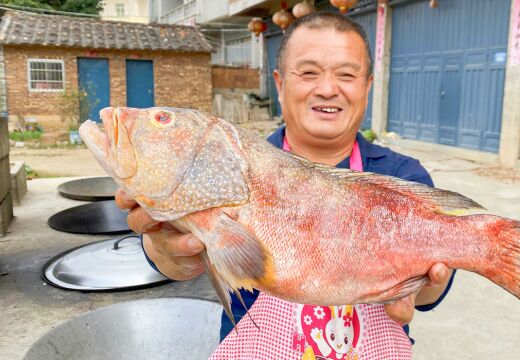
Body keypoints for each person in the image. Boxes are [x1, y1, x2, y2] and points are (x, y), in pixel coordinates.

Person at [116, 12, 454, 359]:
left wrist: (417, 288)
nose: (327, 88)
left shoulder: (403, 177)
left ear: (367, 86)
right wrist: (170, 251)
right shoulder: (234, 166)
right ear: (279, 83)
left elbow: (433, 292)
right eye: (308, 72)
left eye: (347, 75)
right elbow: (178, 261)